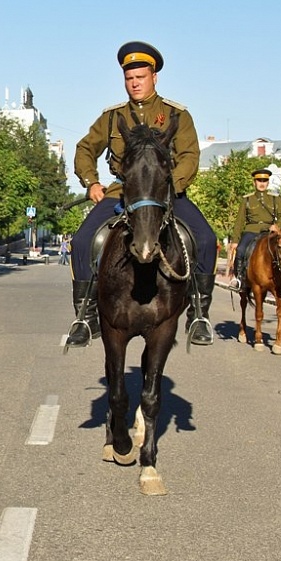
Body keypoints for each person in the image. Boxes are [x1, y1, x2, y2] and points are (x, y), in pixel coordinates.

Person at [66, 40, 218, 347]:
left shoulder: (176, 115)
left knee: (206, 239)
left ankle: (199, 314)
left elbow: (189, 155)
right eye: (129, 78)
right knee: (83, 241)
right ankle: (86, 316)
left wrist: (169, 186)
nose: (134, 84)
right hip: (121, 193)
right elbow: (85, 149)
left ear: (154, 78)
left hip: (167, 194)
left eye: (140, 77)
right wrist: (91, 182)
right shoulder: (112, 117)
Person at [227, 167, 281, 290]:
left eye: (264, 181)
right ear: (254, 182)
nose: (262, 183)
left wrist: (277, 226)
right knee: (241, 250)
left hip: (269, 231)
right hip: (251, 230)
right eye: (259, 180)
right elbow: (240, 220)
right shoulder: (247, 199)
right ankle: (238, 278)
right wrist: (235, 240)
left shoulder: (274, 198)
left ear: (268, 182)